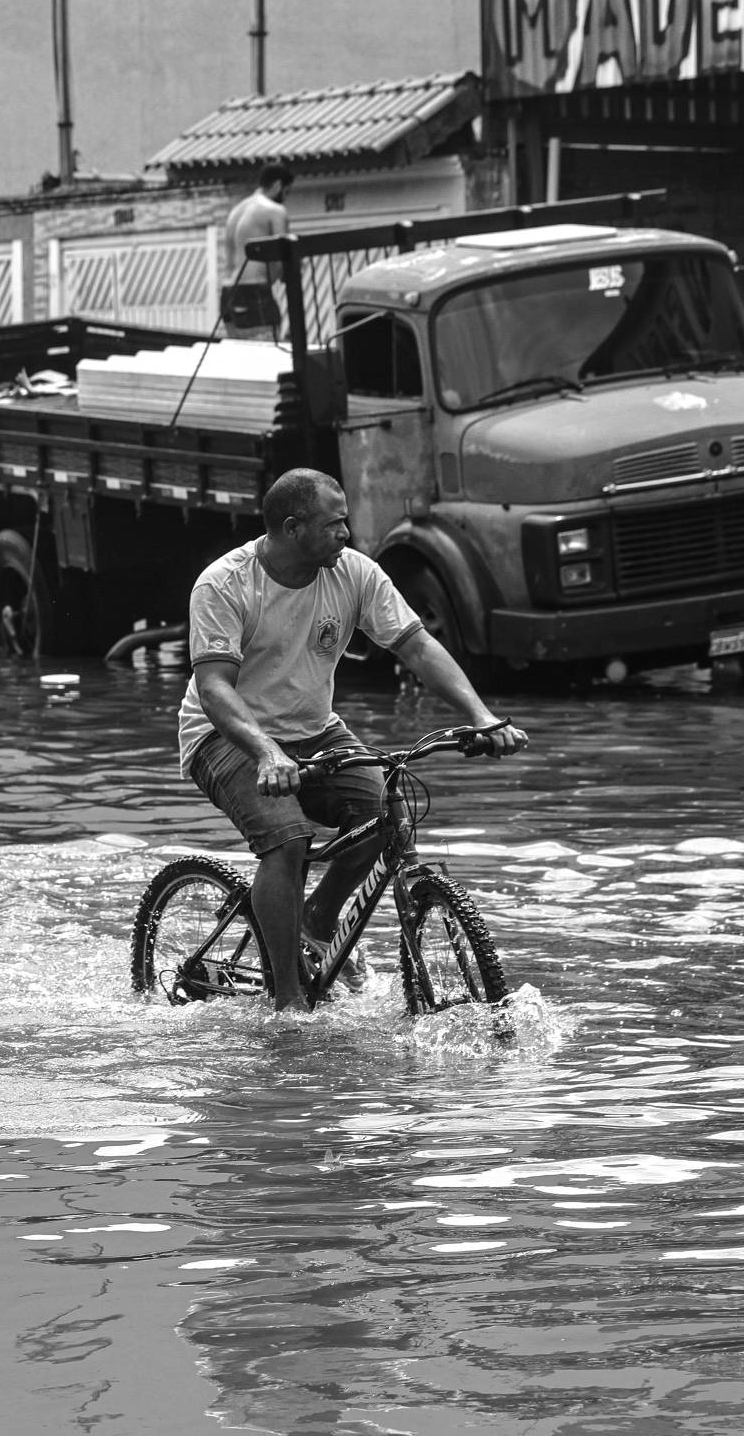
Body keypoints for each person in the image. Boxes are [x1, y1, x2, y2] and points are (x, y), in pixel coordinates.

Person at [179, 468, 529, 1011]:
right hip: (225, 735)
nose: (347, 534)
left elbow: (416, 647)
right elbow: (214, 687)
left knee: (386, 814)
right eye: (334, 524)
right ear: (293, 529)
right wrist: (268, 752)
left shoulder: (355, 574)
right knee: (288, 839)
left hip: (316, 729)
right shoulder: (225, 583)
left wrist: (482, 717)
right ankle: (289, 1003)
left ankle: (317, 921)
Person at [220, 163, 294, 341]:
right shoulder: (275, 210)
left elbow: (230, 257)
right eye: (287, 192)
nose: (285, 198)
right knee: (268, 353)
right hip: (253, 292)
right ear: (277, 185)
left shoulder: (236, 210)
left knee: (242, 357)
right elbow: (281, 257)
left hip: (227, 292)